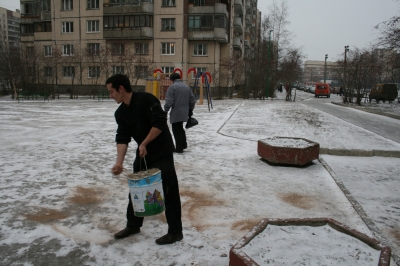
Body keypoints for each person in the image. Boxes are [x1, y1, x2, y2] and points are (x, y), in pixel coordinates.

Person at [106, 74, 183, 245]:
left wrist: (145, 142)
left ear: (121, 89)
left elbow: (160, 122)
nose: (110, 96)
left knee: (169, 191)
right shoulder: (120, 113)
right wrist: (119, 162)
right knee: (136, 189)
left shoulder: (146, 99)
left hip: (162, 151)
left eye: (111, 92)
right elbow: (122, 138)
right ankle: (133, 225)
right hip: (144, 153)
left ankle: (175, 232)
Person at [164, 73, 196, 153]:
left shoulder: (172, 87)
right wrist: (190, 110)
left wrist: (165, 110)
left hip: (176, 111)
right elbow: (192, 100)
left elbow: (169, 101)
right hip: (185, 111)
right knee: (180, 128)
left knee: (176, 129)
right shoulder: (186, 87)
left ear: (172, 79)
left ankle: (179, 148)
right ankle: (183, 144)